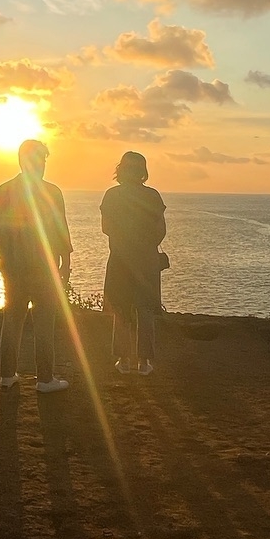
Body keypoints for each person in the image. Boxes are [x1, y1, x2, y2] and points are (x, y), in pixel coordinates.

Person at [0, 139, 72, 394]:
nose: (42, 165)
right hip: (43, 267)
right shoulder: (51, 192)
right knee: (44, 321)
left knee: (12, 319)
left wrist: (5, 256)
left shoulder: (4, 190)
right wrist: (66, 264)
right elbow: (60, 229)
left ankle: (7, 375)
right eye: (41, 160)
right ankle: (45, 378)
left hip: (13, 267)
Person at [101, 151, 167, 376]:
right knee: (145, 309)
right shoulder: (152, 196)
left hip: (120, 258)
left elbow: (106, 228)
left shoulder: (112, 195)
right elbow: (160, 230)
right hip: (146, 260)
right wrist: (145, 244)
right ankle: (144, 362)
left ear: (121, 169)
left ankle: (123, 359)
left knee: (120, 308)